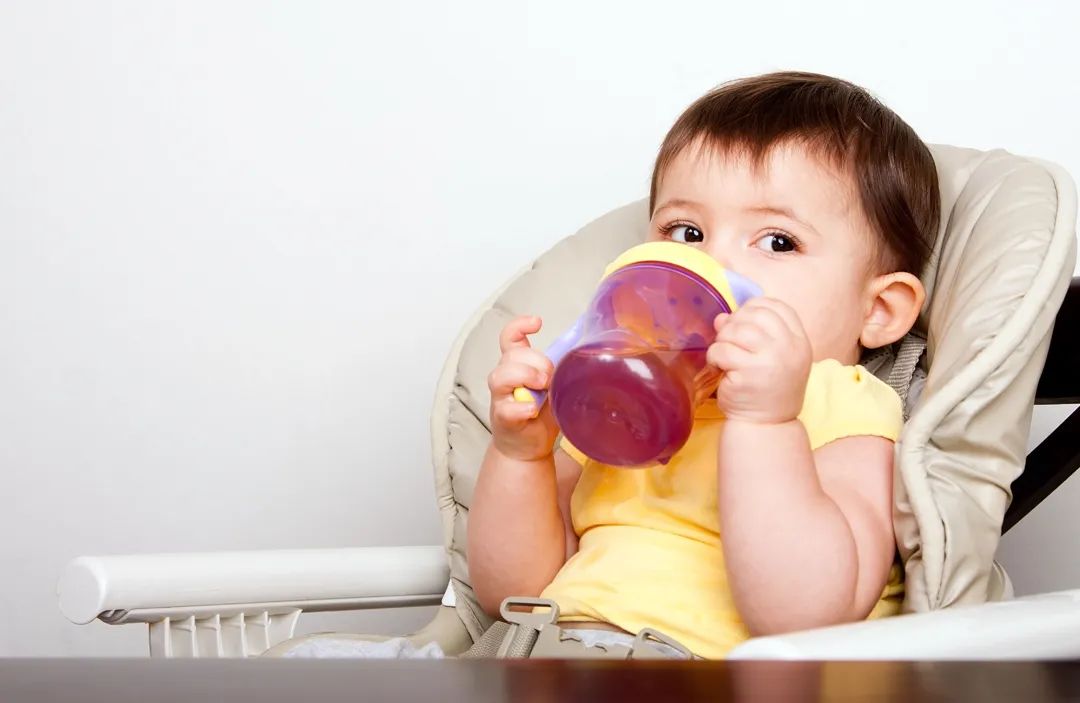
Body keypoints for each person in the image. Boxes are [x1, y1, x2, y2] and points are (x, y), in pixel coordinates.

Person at [468, 71, 939, 659]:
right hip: (543, 653)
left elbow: (806, 615)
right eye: (685, 231)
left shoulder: (841, 402)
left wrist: (767, 424)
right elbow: (509, 592)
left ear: (878, 311)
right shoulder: (620, 392)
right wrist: (523, 456)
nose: (709, 262)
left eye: (777, 242)